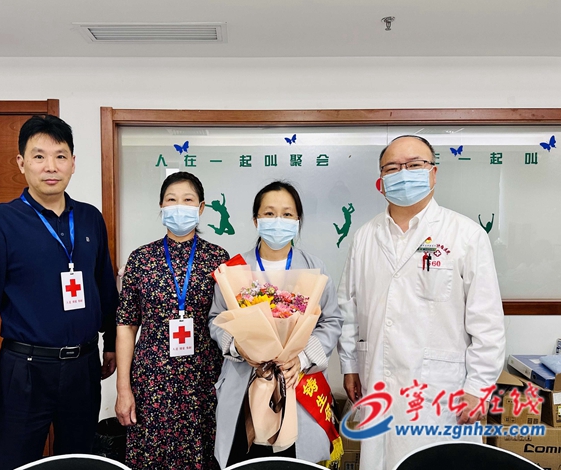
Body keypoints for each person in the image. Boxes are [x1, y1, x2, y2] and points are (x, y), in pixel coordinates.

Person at [0, 115, 118, 470]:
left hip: (83, 368)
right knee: (17, 462)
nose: (51, 167)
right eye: (39, 156)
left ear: (73, 162)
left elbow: (104, 287)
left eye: (60, 156)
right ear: (22, 162)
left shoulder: (89, 218)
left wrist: (110, 343)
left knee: (77, 460)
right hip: (24, 370)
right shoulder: (0, 222)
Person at [337, 135, 506, 470]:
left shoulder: (466, 235)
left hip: (440, 390)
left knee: (438, 464)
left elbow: (487, 322)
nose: (403, 173)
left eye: (414, 165)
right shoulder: (365, 236)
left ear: (433, 172)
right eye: (392, 168)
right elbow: (348, 306)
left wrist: (478, 387)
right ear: (381, 179)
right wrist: (349, 365)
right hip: (378, 378)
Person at [209, 181, 343, 468]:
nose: (278, 221)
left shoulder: (315, 268)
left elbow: (331, 321)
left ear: (298, 221)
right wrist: (239, 347)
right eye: (269, 213)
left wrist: (302, 357)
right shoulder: (234, 269)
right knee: (246, 461)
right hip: (245, 383)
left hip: (297, 381)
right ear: (256, 220)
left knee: (296, 462)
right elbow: (216, 319)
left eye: (287, 214)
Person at [115, 171, 229, 470]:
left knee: (201, 456)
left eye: (188, 200)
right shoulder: (141, 259)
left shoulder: (218, 259)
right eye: (171, 199)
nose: (179, 206)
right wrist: (123, 388)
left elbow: (228, 323)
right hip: (151, 380)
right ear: (161, 206)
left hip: (203, 379)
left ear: (201, 207)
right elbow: (126, 325)